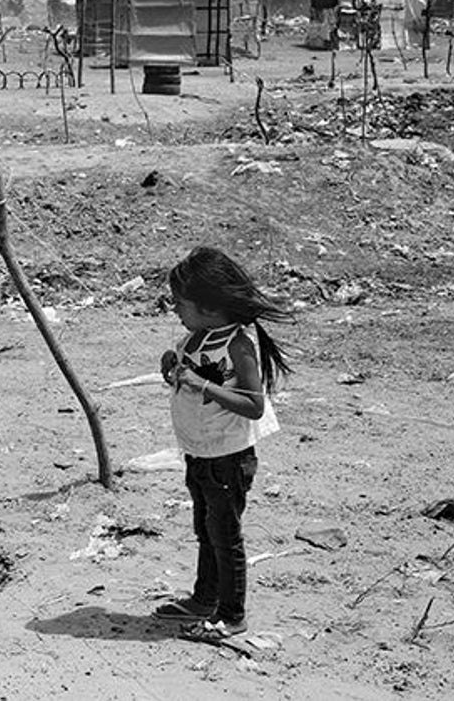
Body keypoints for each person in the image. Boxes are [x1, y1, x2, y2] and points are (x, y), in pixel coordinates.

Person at [151, 246, 292, 642]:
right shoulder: (195, 338)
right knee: (206, 529)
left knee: (225, 536)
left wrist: (202, 383)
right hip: (198, 452)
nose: (175, 310)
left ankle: (231, 615)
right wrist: (172, 366)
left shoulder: (237, 345)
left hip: (228, 458)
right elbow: (190, 374)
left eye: (181, 303)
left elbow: (254, 405)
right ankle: (204, 598)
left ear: (210, 308)